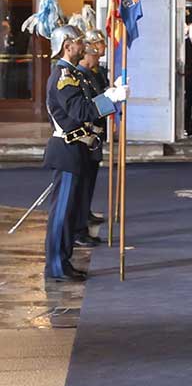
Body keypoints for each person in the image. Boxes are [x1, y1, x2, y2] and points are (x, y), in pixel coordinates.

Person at [42, 25, 128, 282]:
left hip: (77, 149)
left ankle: (63, 261)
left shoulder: (72, 75)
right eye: (79, 42)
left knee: (70, 212)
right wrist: (110, 99)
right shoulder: (63, 76)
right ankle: (56, 265)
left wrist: (109, 97)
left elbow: (87, 107)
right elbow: (81, 111)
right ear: (68, 46)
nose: (84, 47)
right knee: (62, 214)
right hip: (67, 151)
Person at [71, 28, 110, 246]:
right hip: (83, 138)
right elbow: (87, 109)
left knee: (88, 183)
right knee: (79, 187)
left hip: (94, 135)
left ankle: (82, 219)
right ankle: (78, 228)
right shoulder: (78, 76)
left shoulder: (92, 74)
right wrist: (109, 101)